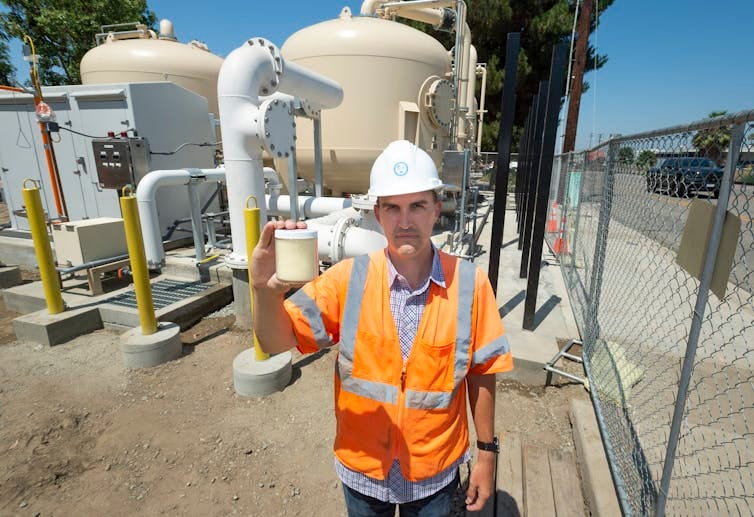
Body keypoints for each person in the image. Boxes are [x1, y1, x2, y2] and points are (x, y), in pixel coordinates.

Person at [251, 140, 513, 516]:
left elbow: (482, 372)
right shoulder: (347, 280)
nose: (405, 222)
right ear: (377, 212)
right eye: (393, 207)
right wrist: (263, 290)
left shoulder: (470, 284)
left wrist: (486, 456)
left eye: (417, 206)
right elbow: (275, 342)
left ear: (437, 209)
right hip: (363, 473)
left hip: (433, 477)